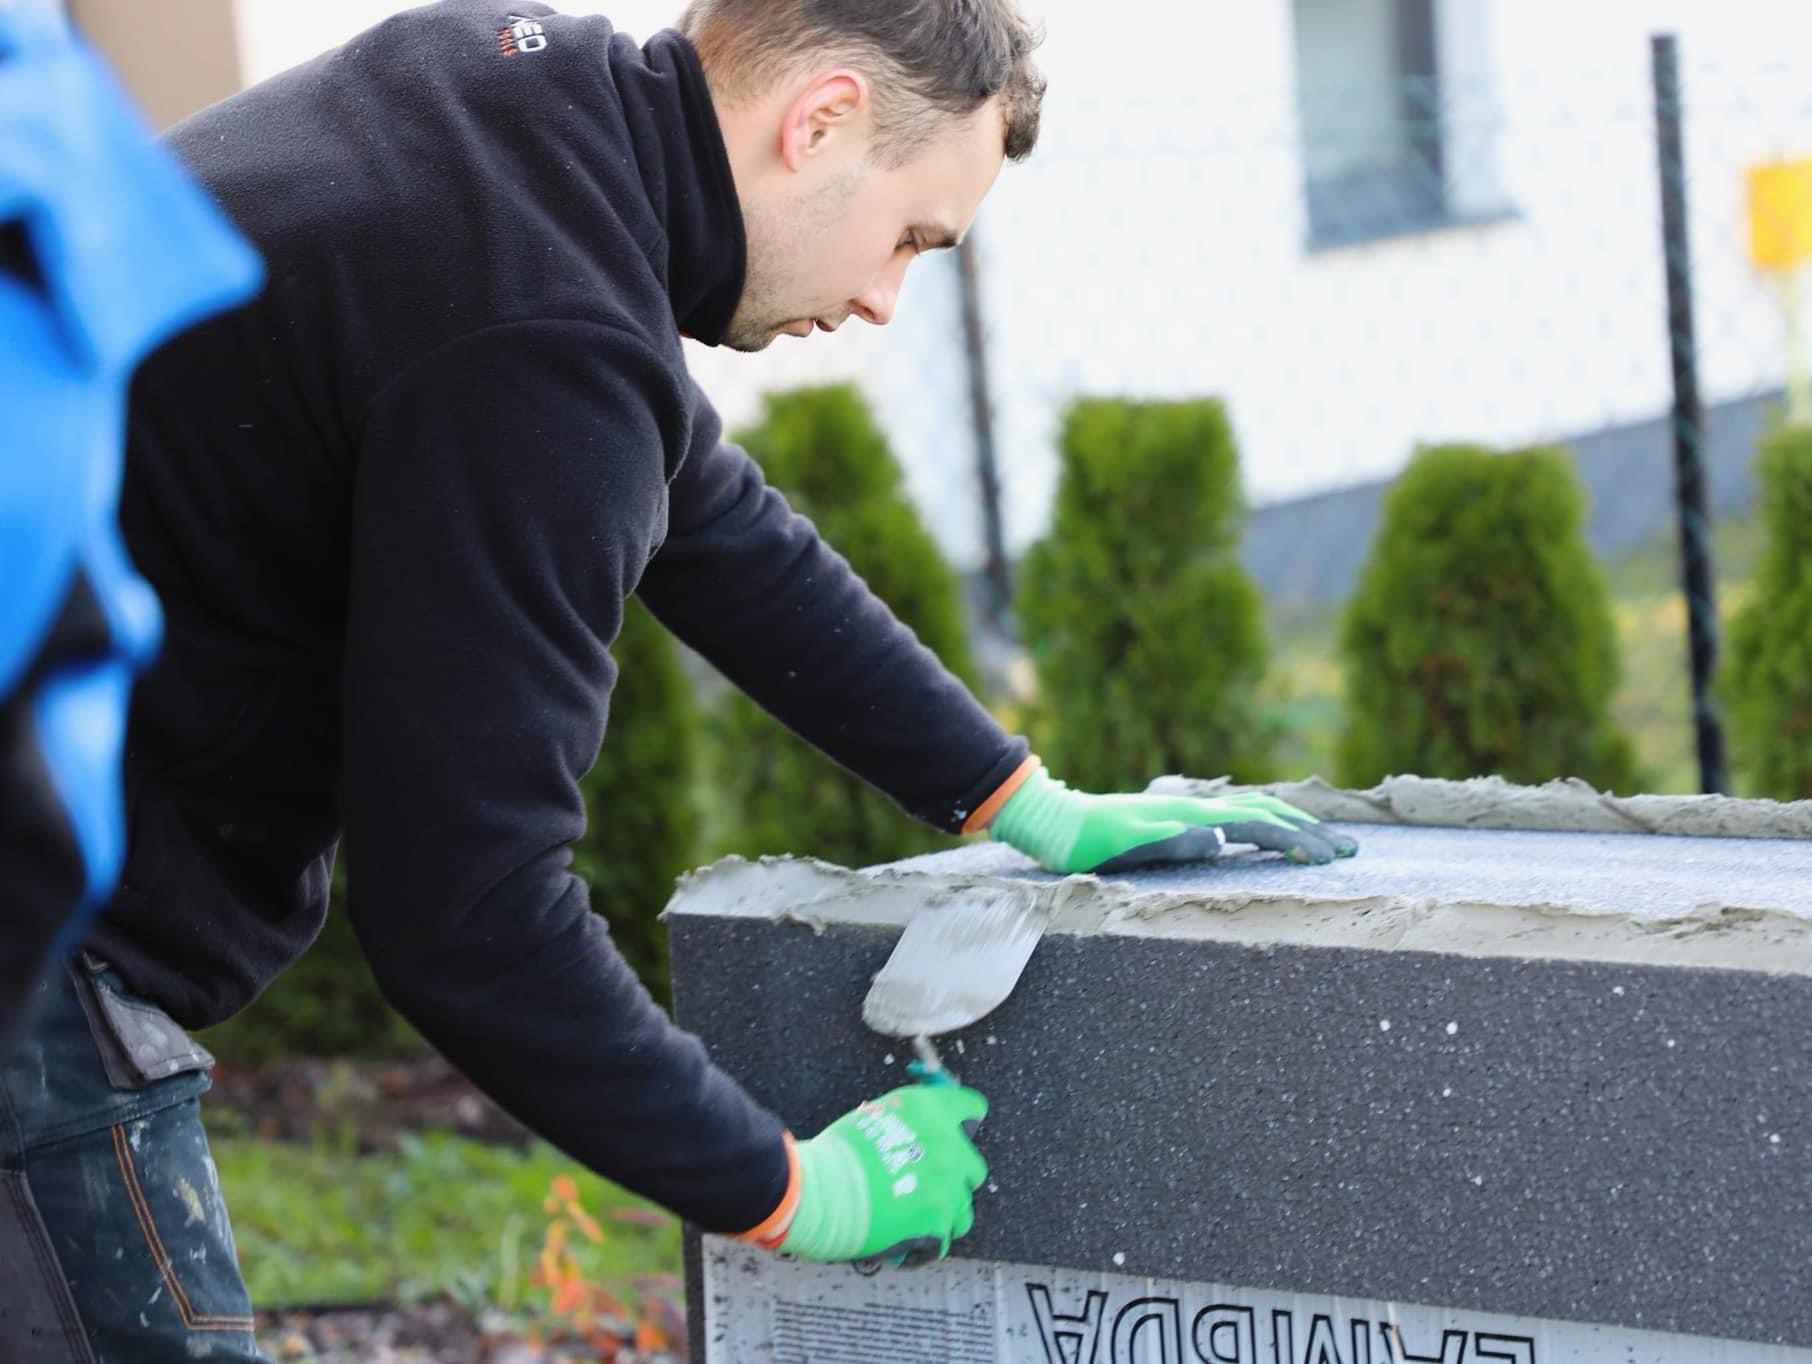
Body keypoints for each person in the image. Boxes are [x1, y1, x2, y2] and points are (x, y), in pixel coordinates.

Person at [0, 1, 1357, 1356]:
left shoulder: (514, 94)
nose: (886, 299)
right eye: (909, 237)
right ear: (819, 120)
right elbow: (469, 918)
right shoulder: (546, 331)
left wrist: (1016, 796)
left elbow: (701, 513)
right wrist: (790, 1189)